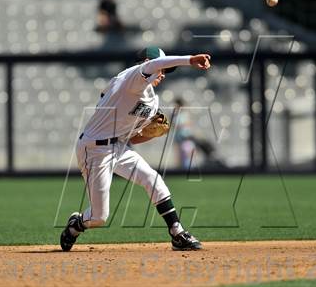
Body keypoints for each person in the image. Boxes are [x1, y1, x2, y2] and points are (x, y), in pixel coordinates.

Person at [60, 47, 211, 251]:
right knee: (99, 217)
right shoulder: (131, 77)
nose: (163, 74)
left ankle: (177, 233)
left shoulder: (152, 100)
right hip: (94, 149)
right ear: (147, 63)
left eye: (166, 71)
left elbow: (133, 137)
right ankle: (76, 225)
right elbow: (151, 66)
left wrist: (147, 133)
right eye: (163, 68)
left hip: (120, 146)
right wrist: (191, 59)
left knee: (153, 179)